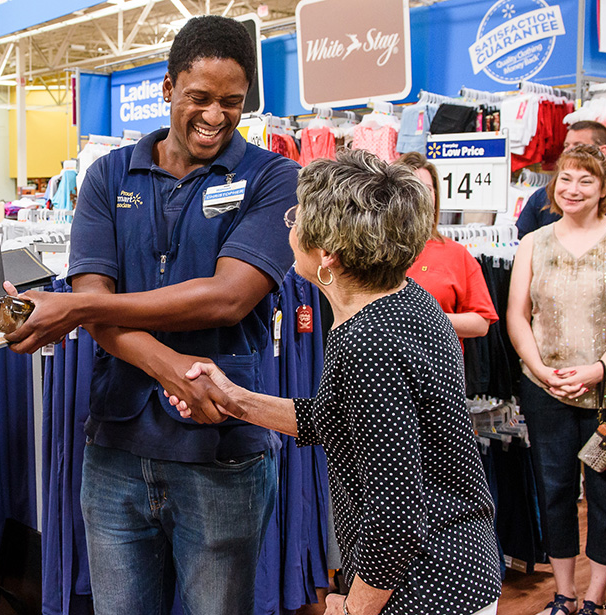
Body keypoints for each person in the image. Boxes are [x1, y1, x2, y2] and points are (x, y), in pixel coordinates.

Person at [2, 15, 298, 614]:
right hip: (115, 451)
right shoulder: (108, 175)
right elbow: (98, 306)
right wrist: (169, 365)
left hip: (222, 454)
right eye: (200, 98)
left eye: (232, 103)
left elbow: (228, 296)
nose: (215, 116)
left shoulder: (274, 178)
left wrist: (79, 306)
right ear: (167, 88)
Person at [166, 151, 502, 615]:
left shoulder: (367, 342)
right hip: (458, 568)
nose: (288, 227)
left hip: (425, 590)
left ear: (328, 255)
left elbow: (398, 516)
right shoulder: (410, 301)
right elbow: (339, 420)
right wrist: (236, 400)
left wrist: (356, 607)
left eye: (295, 218)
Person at [507, 144, 606, 615]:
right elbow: (517, 316)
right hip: (546, 390)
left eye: (586, 180)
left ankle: (596, 597)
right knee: (555, 488)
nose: (573, 189)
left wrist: (599, 369)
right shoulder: (533, 243)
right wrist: (541, 370)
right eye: (566, 178)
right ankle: (564, 594)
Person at [397, 151, 497, 341]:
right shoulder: (374, 251)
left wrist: (427, 318)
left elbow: (481, 322)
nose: (420, 197)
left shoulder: (455, 254)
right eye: (410, 188)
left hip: (438, 366)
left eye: (427, 189)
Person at [515, 120, 606, 239]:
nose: (568, 150)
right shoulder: (541, 197)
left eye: (579, 145)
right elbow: (521, 240)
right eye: (566, 145)